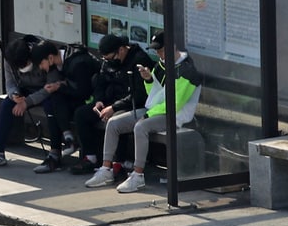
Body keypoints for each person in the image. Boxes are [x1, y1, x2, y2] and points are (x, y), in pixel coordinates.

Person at [84, 31, 202, 192]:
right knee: (113, 123)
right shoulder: (162, 63)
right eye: (156, 51)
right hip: (153, 111)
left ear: (173, 47)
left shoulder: (187, 70)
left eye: (161, 50)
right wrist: (148, 79)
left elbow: (174, 104)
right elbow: (153, 93)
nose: (159, 54)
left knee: (141, 127)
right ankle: (105, 170)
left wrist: (147, 115)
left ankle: (137, 175)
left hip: (175, 115)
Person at [69, 33, 156, 175]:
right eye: (106, 59)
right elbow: (100, 82)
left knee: (116, 119)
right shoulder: (108, 61)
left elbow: (139, 94)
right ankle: (90, 156)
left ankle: (118, 162)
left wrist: (114, 107)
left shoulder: (138, 60)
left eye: (112, 58)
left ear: (121, 50)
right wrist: (99, 100)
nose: (110, 61)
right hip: (110, 100)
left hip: (130, 104)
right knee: (81, 114)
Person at [29, 41, 99, 173]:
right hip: (80, 97)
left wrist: (60, 86)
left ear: (50, 58)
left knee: (58, 97)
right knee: (53, 100)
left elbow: (84, 92)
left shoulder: (78, 63)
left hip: (93, 100)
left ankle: (65, 146)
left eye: (41, 64)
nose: (42, 68)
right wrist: (61, 86)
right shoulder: (64, 59)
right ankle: (63, 144)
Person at [0, 35, 47, 169]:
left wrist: (27, 102)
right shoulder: (10, 58)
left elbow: (49, 88)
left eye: (25, 65)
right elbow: (10, 82)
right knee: (6, 104)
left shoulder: (40, 53)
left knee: (52, 106)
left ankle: (55, 155)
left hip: (44, 91)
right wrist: (14, 94)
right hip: (24, 90)